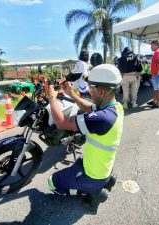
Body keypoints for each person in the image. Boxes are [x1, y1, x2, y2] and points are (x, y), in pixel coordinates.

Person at [47, 64, 124, 213]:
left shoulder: (103, 118)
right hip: (98, 166)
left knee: (51, 182)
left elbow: (61, 122)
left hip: (92, 175)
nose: (89, 91)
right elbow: (89, 108)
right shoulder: (114, 107)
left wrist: (52, 98)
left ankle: (91, 192)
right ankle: (103, 182)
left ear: (101, 91)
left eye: (91, 89)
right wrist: (70, 93)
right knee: (75, 167)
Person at [147, 40, 159, 109]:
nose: (151, 47)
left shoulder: (158, 52)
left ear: (156, 45)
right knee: (156, 89)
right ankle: (154, 101)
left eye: (152, 46)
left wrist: (157, 72)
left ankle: (157, 104)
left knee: (158, 89)